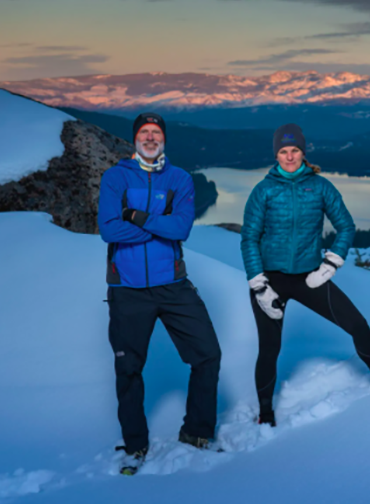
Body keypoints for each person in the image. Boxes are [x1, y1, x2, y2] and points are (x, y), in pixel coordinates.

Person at [241, 123, 370, 427]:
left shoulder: (320, 186)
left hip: (309, 276)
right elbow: (249, 238)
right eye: (283, 152)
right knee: (269, 348)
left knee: (357, 324)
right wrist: (259, 285)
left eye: (295, 150)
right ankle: (265, 412)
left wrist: (330, 265)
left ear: (303, 152)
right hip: (270, 281)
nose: (289, 157)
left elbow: (346, 226)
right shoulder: (264, 190)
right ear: (276, 154)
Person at [98, 113, 223, 474]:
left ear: (164, 139)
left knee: (207, 355)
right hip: (128, 288)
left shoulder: (179, 179)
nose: (150, 138)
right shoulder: (116, 177)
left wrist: (136, 217)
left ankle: (197, 432)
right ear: (134, 139)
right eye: (144, 133)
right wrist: (158, 226)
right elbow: (109, 229)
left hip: (173, 285)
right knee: (129, 368)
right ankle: (135, 446)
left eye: (156, 133)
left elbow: (181, 228)